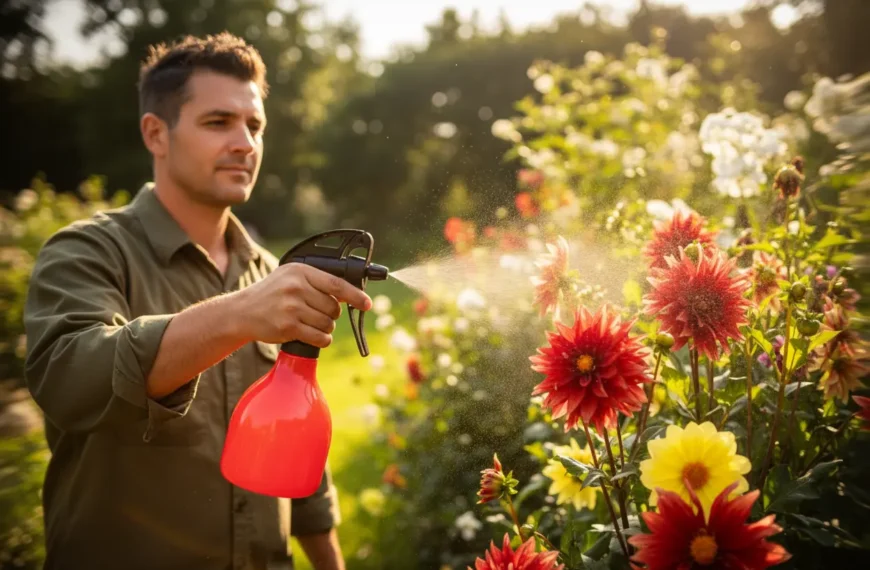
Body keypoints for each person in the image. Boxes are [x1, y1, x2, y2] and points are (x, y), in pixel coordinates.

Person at [22, 31, 371, 570]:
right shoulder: (86, 251)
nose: (246, 143)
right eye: (218, 122)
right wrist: (239, 314)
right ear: (156, 134)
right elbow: (69, 380)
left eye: (254, 126)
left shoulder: (268, 272)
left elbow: (293, 439)